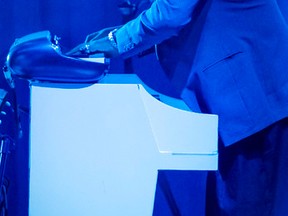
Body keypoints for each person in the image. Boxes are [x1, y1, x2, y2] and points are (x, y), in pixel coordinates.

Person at [67, 0, 288, 215]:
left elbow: (171, 14)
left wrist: (115, 41)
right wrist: (115, 37)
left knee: (247, 204)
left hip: (254, 98)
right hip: (245, 102)